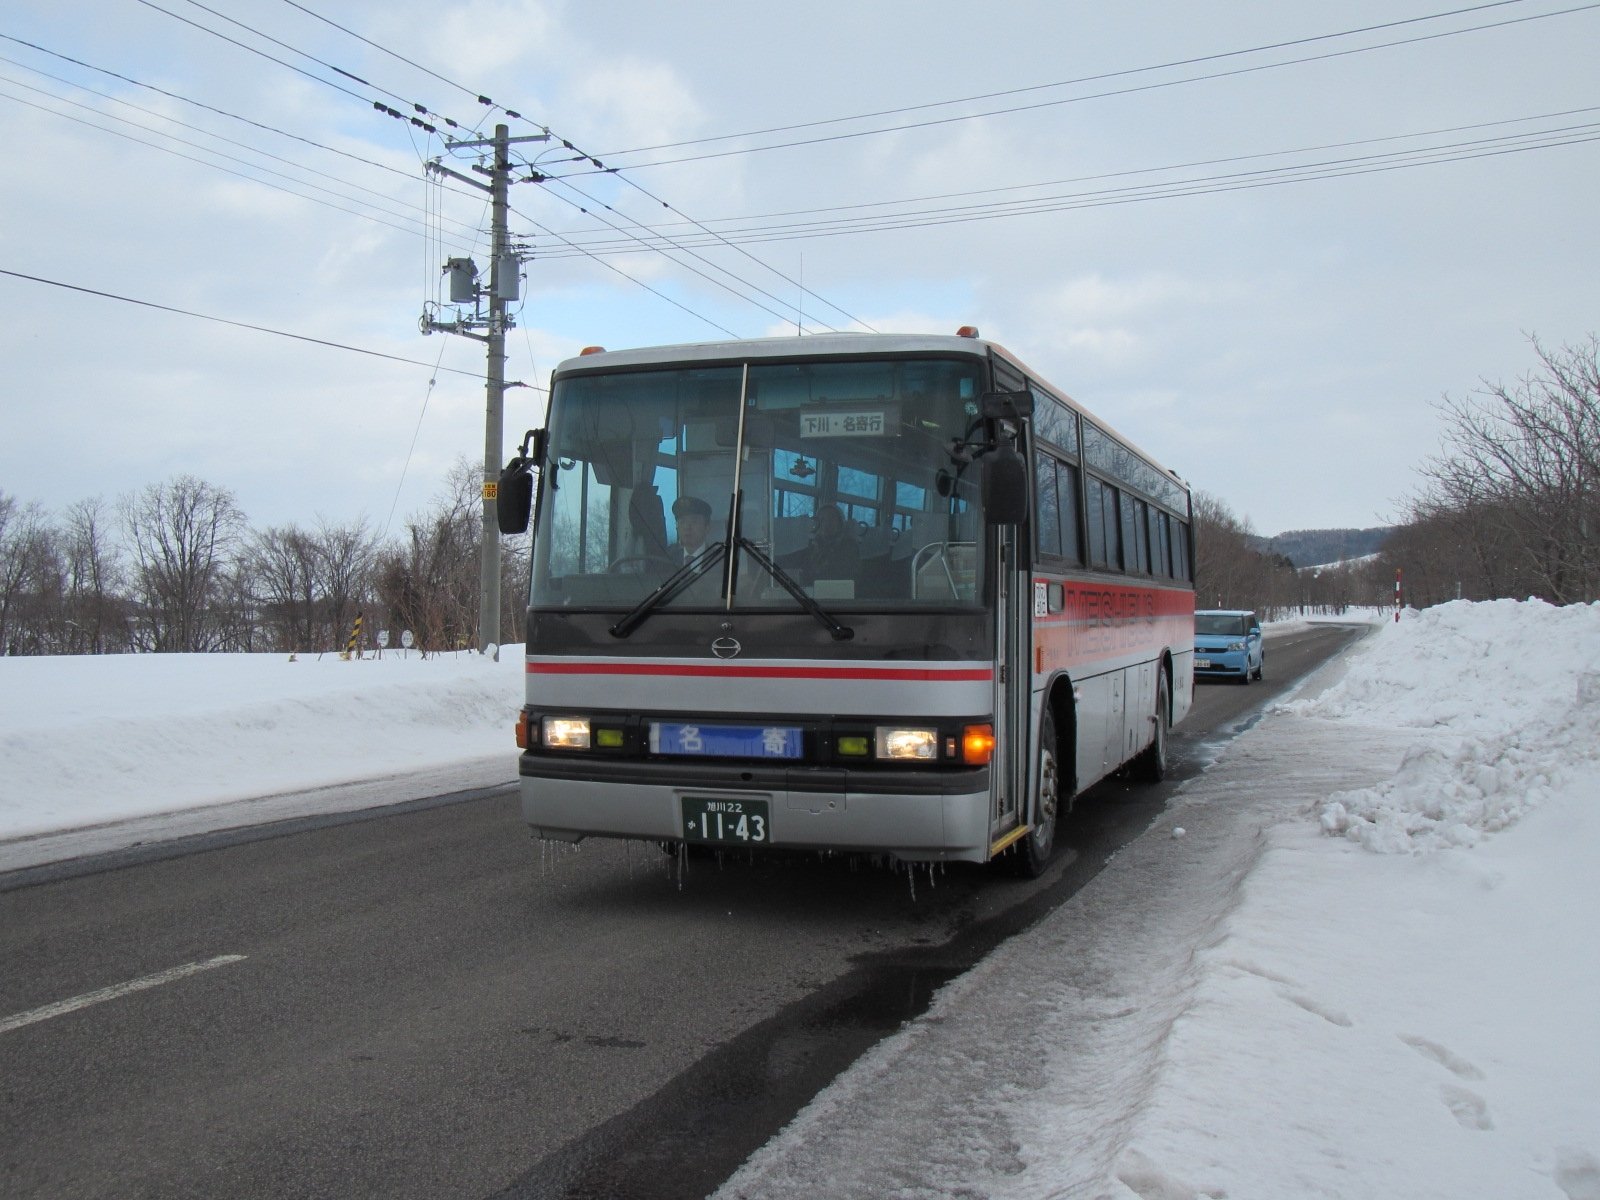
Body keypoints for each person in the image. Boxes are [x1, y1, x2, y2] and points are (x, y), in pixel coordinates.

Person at [798, 505, 860, 582]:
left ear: (840, 523)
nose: (826, 523)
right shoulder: (812, 546)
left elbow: (841, 574)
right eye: (822, 519)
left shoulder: (849, 546)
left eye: (831, 518)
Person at [669, 495, 713, 564]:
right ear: (677, 527)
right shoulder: (667, 558)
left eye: (694, 521)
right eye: (682, 522)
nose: (687, 527)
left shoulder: (720, 560)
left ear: (707, 527)